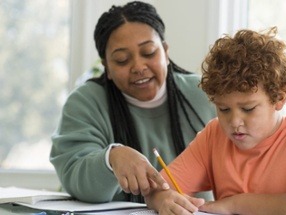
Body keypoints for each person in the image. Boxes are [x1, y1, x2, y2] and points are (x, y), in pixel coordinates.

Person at [144, 27, 286, 214]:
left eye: (248, 109)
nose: (234, 122)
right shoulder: (214, 135)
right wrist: (163, 199)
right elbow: (157, 189)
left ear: (279, 98)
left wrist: (234, 204)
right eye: (223, 109)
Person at [50, 1, 216, 203]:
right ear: (106, 67)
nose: (138, 66)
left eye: (148, 53)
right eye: (121, 60)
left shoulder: (206, 93)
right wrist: (111, 158)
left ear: (165, 51)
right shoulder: (85, 103)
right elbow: (76, 178)